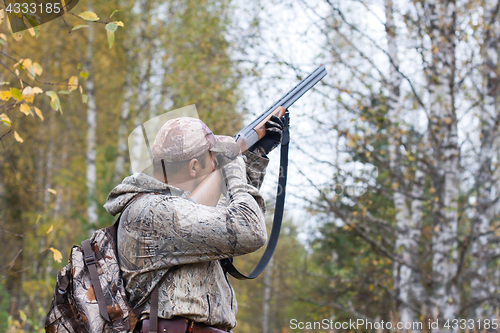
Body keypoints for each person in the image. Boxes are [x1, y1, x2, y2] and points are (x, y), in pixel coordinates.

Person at [103, 115, 283, 333]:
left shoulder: (169, 209)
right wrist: (234, 164)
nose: (217, 165)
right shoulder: (154, 210)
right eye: (213, 160)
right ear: (194, 167)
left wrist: (254, 157)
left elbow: (226, 219)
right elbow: (248, 228)